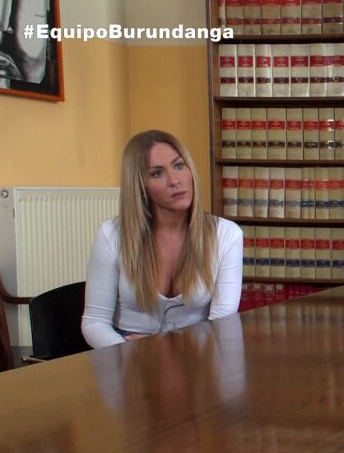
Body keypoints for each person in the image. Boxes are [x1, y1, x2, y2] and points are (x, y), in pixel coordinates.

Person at [82, 130, 243, 348]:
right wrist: (129, 353)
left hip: (196, 355)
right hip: (125, 351)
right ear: (140, 186)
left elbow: (222, 326)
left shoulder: (226, 235)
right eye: (157, 173)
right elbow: (94, 323)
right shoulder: (111, 235)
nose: (175, 181)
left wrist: (167, 348)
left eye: (179, 166)